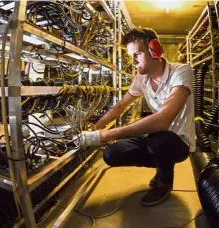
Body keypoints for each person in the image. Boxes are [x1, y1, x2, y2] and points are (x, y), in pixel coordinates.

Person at [79, 28, 195, 207]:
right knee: (111, 154)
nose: (133, 61)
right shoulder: (141, 79)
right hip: (155, 138)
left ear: (154, 49)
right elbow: (120, 106)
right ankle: (160, 165)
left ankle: (164, 182)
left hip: (178, 142)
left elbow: (163, 120)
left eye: (138, 54)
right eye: (131, 56)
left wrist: (106, 135)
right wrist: (95, 129)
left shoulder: (181, 71)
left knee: (159, 139)